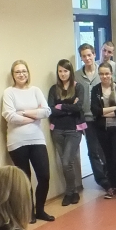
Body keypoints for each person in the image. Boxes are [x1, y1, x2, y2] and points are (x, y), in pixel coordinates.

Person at [1, 60, 55, 223]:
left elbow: (46, 111)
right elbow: (10, 116)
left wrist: (23, 112)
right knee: (24, 180)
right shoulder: (9, 92)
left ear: (28, 73)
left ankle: (40, 210)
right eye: (17, 72)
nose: (21, 74)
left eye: (24, 71)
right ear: (13, 75)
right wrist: (33, 115)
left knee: (44, 176)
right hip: (17, 142)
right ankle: (28, 212)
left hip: (37, 139)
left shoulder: (35, 90)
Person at [47, 59, 84, 206]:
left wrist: (60, 106)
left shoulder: (78, 87)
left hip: (74, 129)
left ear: (70, 72)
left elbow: (79, 107)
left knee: (67, 161)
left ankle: (69, 192)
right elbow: (51, 109)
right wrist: (69, 107)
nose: (63, 74)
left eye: (65, 71)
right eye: (60, 71)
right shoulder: (53, 89)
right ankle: (73, 191)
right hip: (57, 130)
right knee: (64, 163)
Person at [91, 62, 116, 199]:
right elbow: (95, 111)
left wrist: (104, 112)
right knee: (108, 159)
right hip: (103, 129)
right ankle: (112, 186)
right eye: (101, 74)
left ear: (111, 74)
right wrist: (113, 109)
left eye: (107, 73)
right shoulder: (95, 90)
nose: (104, 76)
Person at [76, 43, 110, 190]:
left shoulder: (102, 71)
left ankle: (110, 174)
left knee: (106, 148)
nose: (87, 58)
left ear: (94, 54)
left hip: (103, 116)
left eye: (89, 55)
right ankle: (101, 180)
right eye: (84, 56)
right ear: (81, 58)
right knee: (93, 150)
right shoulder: (77, 75)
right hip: (87, 119)